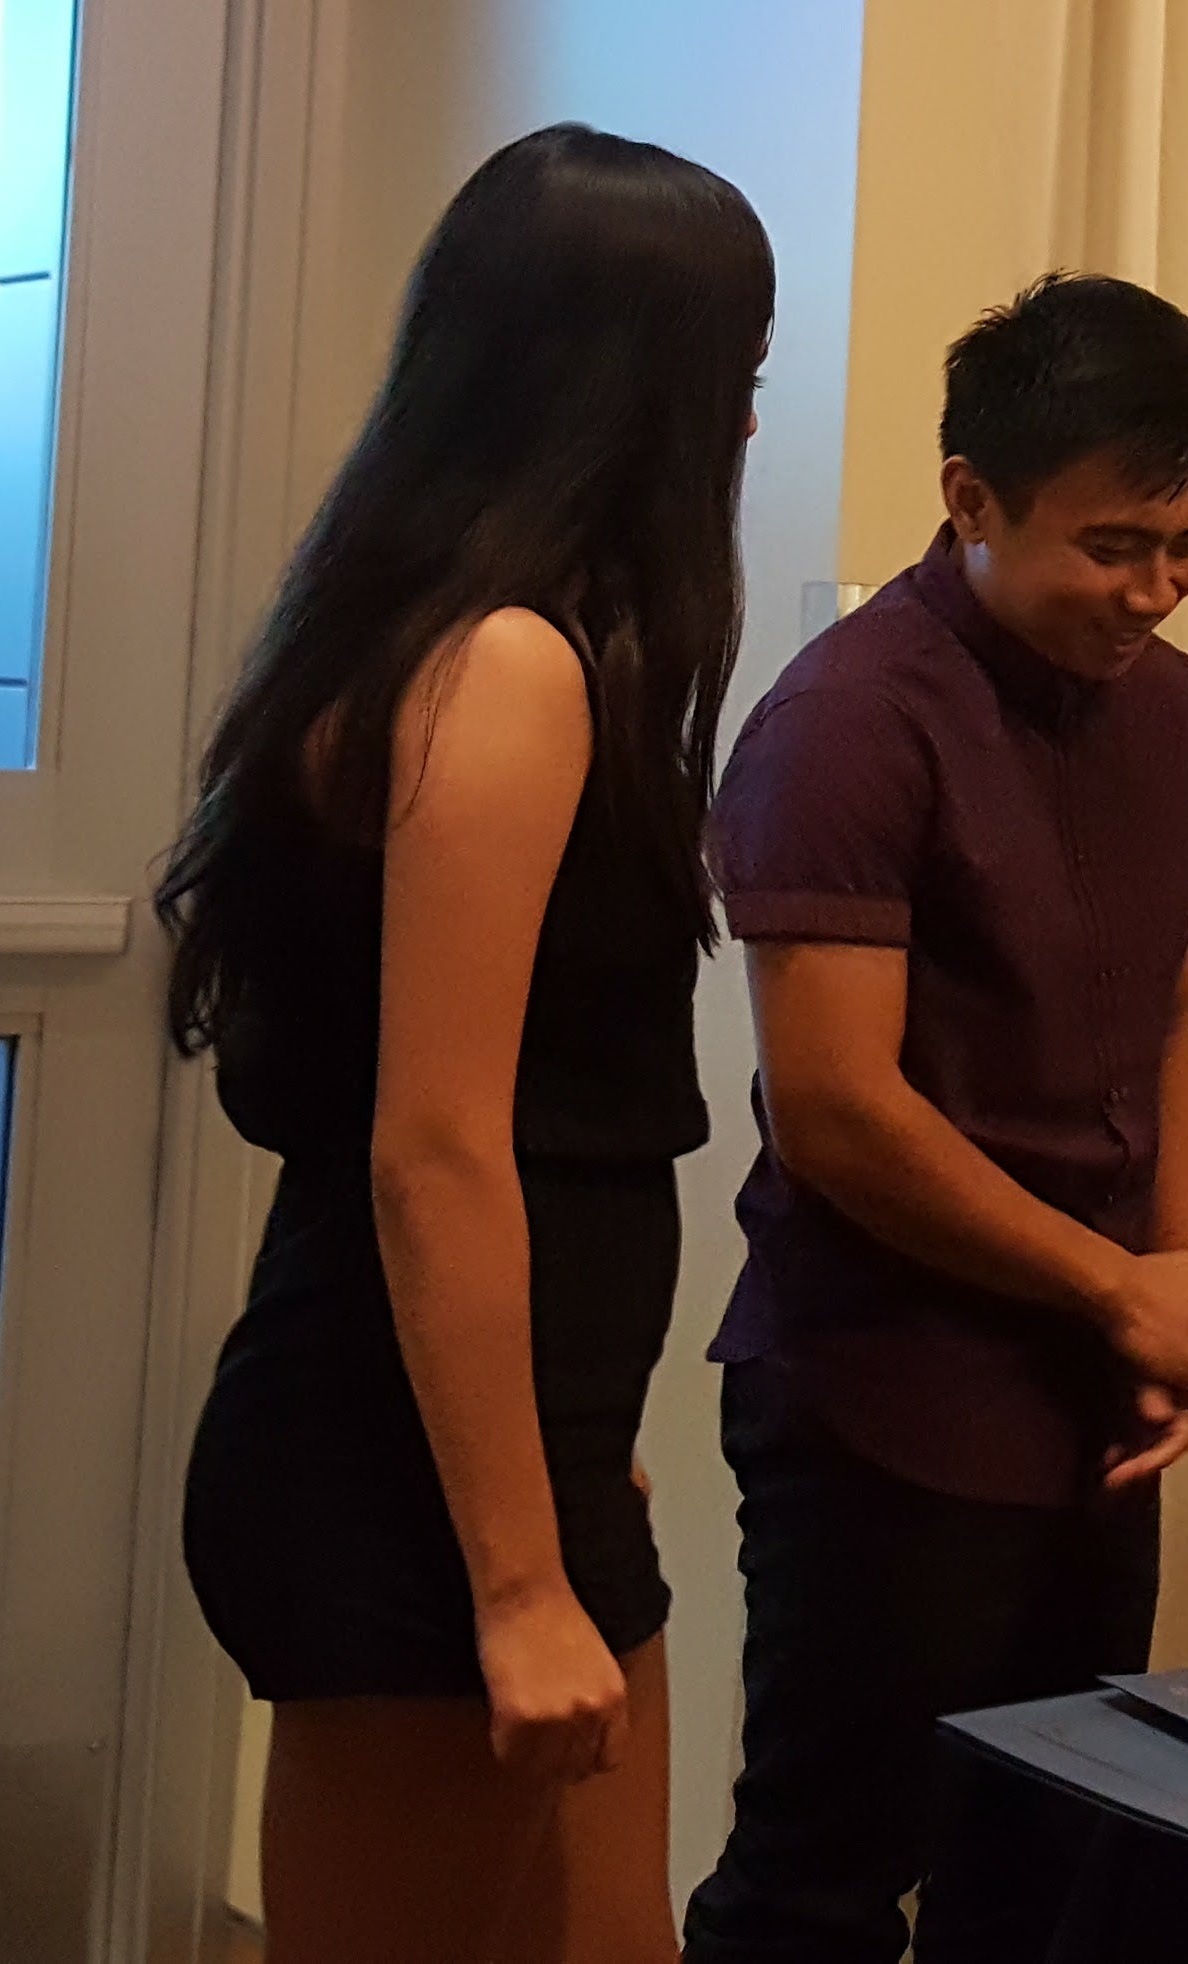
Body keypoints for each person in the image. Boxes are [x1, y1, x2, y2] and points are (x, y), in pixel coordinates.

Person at [166, 127, 777, 1964]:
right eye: (732, 376)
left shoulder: (486, 643)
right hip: (398, 1484)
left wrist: (571, 1460)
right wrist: (515, 1573)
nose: (746, 423)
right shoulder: (502, 667)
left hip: (508, 1455)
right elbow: (436, 1147)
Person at [682, 275, 1188, 1964]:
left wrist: (1182, 1286)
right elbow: (837, 1109)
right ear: (971, 499)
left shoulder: (1170, 703)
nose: (1154, 590)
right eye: (1113, 547)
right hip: (888, 1394)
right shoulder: (845, 721)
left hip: (1092, 1388)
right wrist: (1117, 1285)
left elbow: (1183, 1008)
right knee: (822, 1882)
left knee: (1056, 1875)